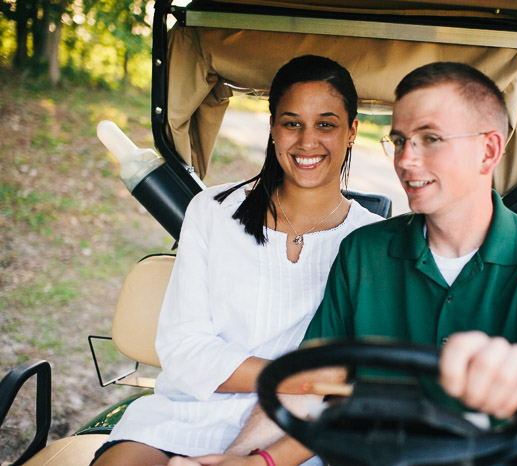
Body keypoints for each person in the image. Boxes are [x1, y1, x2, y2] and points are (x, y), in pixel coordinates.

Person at [172, 62, 517, 466]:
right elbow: (312, 385)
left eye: (430, 139)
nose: (406, 161)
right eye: (399, 140)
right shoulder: (364, 252)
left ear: (488, 150)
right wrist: (247, 457)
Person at [91, 54, 383, 466]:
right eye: (291, 122)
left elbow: (350, 379)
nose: (307, 141)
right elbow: (185, 348)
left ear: (352, 131)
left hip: (291, 430)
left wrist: (302, 390)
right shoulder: (213, 211)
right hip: (188, 410)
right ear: (272, 128)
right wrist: (289, 378)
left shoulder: (371, 241)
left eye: (326, 124)